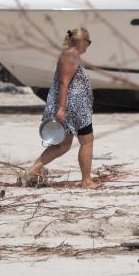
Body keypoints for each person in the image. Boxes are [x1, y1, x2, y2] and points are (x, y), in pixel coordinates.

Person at [30, 27, 99, 188]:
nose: (89, 45)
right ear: (82, 41)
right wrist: (62, 108)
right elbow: (64, 83)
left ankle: (34, 169)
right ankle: (86, 181)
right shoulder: (69, 56)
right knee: (87, 142)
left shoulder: (70, 55)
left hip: (72, 107)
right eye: (88, 42)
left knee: (63, 145)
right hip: (75, 109)